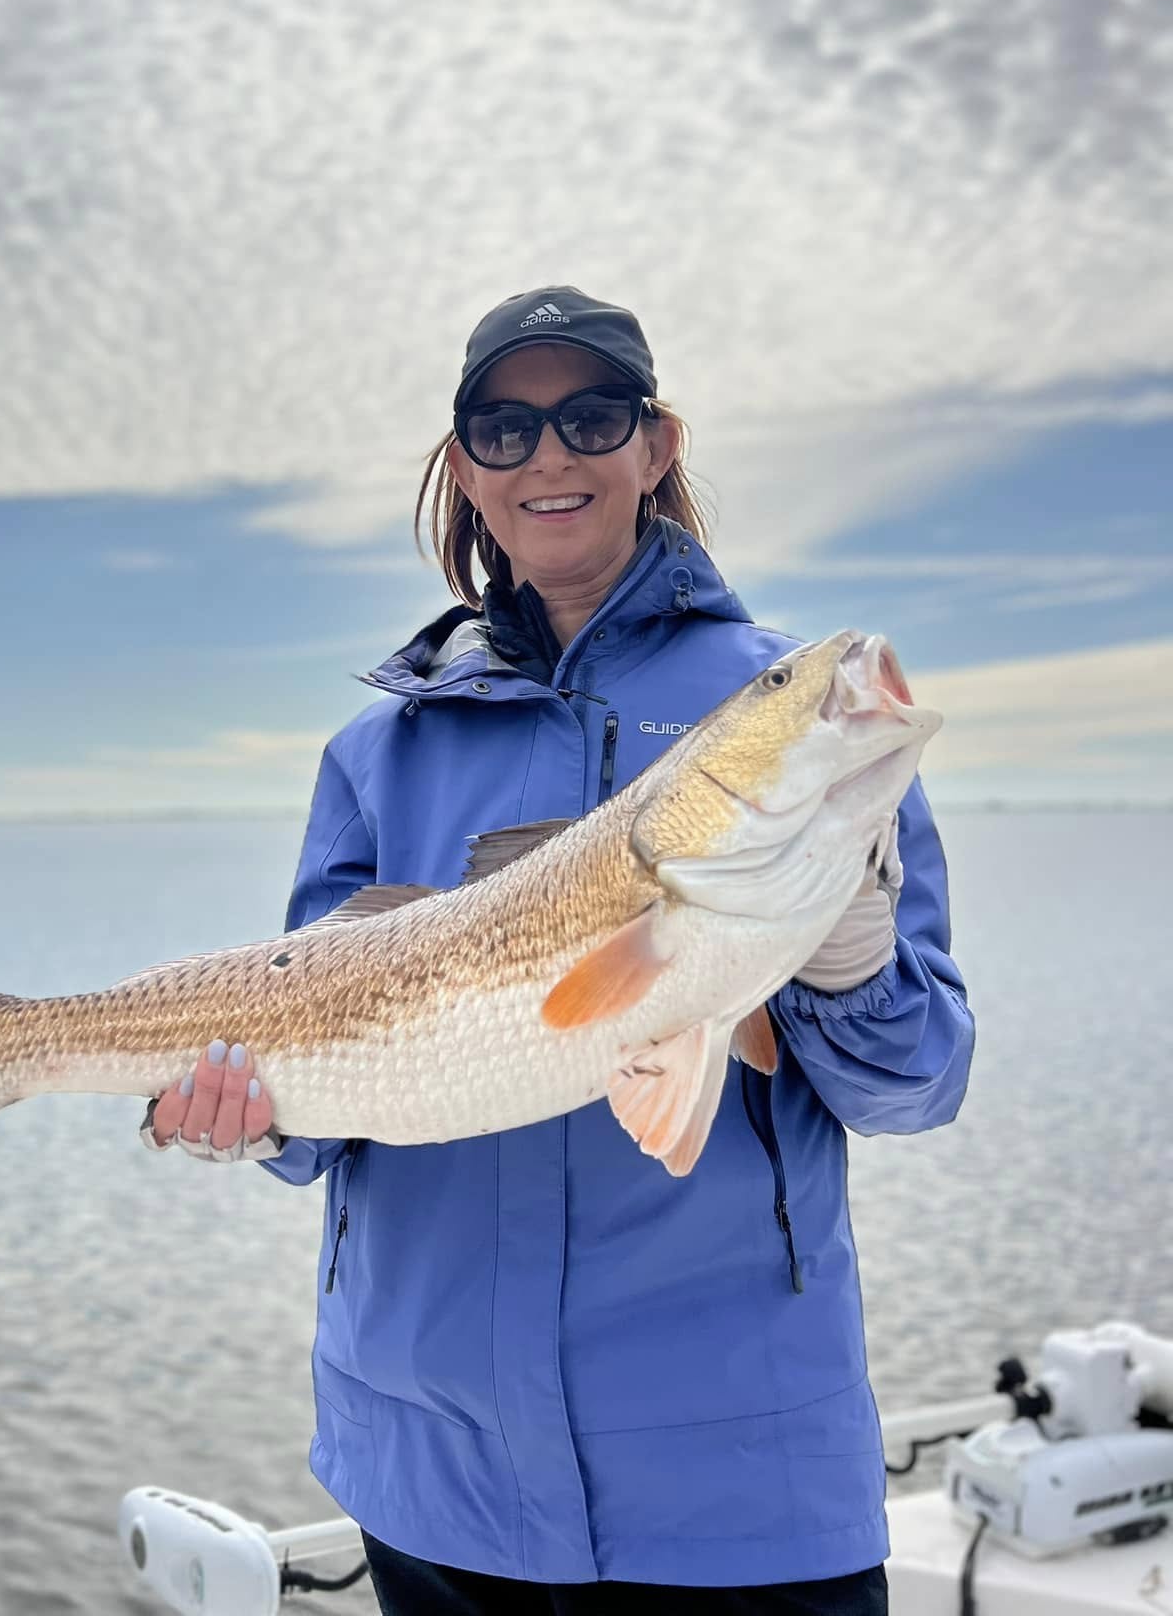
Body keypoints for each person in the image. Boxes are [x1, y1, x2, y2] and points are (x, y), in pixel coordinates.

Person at [146, 286, 975, 1613]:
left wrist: (848, 963)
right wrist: (252, 1121)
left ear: (657, 447)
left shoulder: (816, 743)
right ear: (465, 469)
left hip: (740, 1484)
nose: (551, 457)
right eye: (506, 426)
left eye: (593, 417)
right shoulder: (381, 750)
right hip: (433, 1474)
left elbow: (917, 1086)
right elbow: (321, 1090)